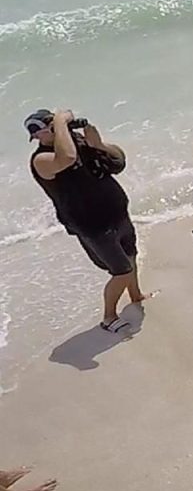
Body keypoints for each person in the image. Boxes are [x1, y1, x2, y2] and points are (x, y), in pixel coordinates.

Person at [26, 108, 147, 332]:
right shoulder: (42, 159)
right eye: (45, 131)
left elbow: (118, 161)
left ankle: (136, 295)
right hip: (93, 226)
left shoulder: (79, 142)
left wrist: (99, 145)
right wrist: (61, 121)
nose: (51, 132)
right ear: (36, 137)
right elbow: (67, 158)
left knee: (131, 256)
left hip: (118, 214)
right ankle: (109, 317)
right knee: (121, 271)